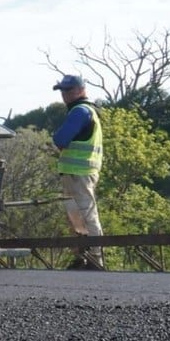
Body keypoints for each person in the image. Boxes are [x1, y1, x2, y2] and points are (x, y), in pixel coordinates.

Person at [52, 74, 105, 270]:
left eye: (69, 90)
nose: (65, 95)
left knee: (86, 214)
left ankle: (95, 259)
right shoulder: (86, 111)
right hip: (78, 172)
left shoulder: (80, 111)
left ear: (81, 90)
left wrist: (57, 139)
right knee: (76, 216)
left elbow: (60, 138)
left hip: (79, 173)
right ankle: (82, 257)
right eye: (63, 91)